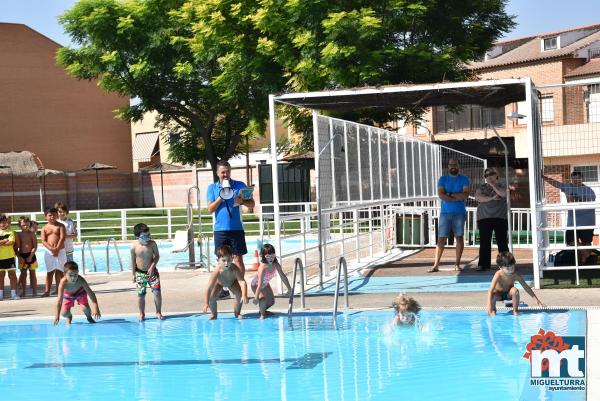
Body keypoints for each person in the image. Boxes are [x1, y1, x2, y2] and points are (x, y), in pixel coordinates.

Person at [207, 160, 255, 298]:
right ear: (217, 173)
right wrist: (220, 198)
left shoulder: (239, 185)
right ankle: (222, 287)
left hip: (236, 228)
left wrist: (243, 201)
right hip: (220, 229)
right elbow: (210, 209)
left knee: (238, 259)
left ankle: (238, 284)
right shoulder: (212, 188)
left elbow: (251, 204)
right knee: (221, 260)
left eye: (227, 171)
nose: (225, 174)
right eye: (222, 172)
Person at [544, 171, 596, 264]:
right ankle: (588, 256)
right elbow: (556, 183)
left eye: (578, 178)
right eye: (574, 179)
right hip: (573, 221)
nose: (576, 180)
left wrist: (574, 199)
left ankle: (585, 262)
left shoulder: (588, 190)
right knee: (570, 241)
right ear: (571, 179)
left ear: (582, 179)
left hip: (587, 220)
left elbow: (590, 201)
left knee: (587, 242)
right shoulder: (568, 187)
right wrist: (544, 178)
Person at [429, 159, 470, 272]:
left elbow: (465, 195)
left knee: (459, 237)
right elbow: (441, 195)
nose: (453, 166)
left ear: (458, 166)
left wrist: (450, 194)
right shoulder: (443, 179)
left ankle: (457, 264)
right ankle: (436, 265)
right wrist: (457, 196)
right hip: (445, 213)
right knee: (441, 239)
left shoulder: (464, 179)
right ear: (448, 166)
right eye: (451, 164)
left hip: (459, 213)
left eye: (455, 164)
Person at [486, 251, 545, 316]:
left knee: (515, 291)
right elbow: (490, 290)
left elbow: (526, 287)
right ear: (500, 267)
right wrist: (489, 305)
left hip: (509, 294)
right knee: (493, 295)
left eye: (512, 267)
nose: (511, 270)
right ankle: (493, 309)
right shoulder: (498, 274)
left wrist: (536, 299)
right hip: (498, 295)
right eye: (508, 268)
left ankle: (515, 310)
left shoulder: (515, 275)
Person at [474, 167, 509, 271]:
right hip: (484, 217)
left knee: (502, 241)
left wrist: (493, 185)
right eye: (486, 175)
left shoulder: (503, 185)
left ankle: (505, 264)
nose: (489, 176)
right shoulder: (482, 187)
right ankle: (483, 264)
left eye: (491, 174)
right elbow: (478, 197)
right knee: (484, 242)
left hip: (500, 217)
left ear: (496, 175)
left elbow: (504, 194)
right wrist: (492, 198)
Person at [203, 244, 248, 320]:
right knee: (212, 296)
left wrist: (244, 295)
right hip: (219, 283)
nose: (226, 263)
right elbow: (209, 287)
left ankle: (237, 313)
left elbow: (242, 282)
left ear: (232, 258)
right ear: (218, 260)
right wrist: (206, 302)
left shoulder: (235, 268)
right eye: (223, 260)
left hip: (232, 282)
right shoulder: (217, 271)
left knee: (239, 294)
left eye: (229, 260)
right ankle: (214, 314)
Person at [131, 223, 164, 321]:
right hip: (140, 273)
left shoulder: (152, 244)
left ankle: (158, 311)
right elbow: (132, 261)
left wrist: (152, 266)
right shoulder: (134, 247)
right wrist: (133, 274)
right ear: (137, 236)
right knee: (141, 295)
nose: (148, 238)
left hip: (153, 273)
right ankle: (141, 313)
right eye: (145, 236)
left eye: (149, 235)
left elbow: (157, 256)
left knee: (157, 292)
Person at [251, 244, 291, 319]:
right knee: (262, 298)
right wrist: (256, 297)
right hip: (256, 284)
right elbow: (259, 284)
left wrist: (289, 288)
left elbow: (283, 276)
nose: (270, 259)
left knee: (271, 302)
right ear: (263, 256)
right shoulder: (262, 267)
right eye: (268, 256)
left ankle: (262, 310)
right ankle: (262, 315)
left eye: (272, 256)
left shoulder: (276, 264)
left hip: (265, 283)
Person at [41, 207, 66, 297]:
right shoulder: (44, 228)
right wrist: (52, 249)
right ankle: (47, 291)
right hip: (49, 252)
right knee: (50, 272)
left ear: (57, 215)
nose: (52, 217)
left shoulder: (61, 226)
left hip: (61, 251)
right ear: (45, 217)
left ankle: (60, 290)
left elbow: (62, 237)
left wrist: (57, 249)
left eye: (54, 215)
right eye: (50, 215)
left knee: (61, 271)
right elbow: (43, 241)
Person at [15, 216, 38, 297]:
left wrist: (31, 256)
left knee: (33, 274)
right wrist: (19, 257)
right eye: (23, 225)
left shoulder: (32, 234)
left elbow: (35, 246)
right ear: (20, 225)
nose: (26, 226)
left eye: (27, 225)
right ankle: (24, 291)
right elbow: (15, 248)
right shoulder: (18, 234)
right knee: (23, 275)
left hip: (31, 255)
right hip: (22, 256)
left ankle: (34, 291)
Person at [0, 214, 19, 300]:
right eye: (1, 222)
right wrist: (5, 240)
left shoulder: (11, 231)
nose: (3, 223)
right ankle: (0, 294)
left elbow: (11, 243)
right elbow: (7, 242)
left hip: (10, 257)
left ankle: (13, 294)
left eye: (4, 221)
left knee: (12, 276)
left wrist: (2, 242)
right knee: (0, 276)